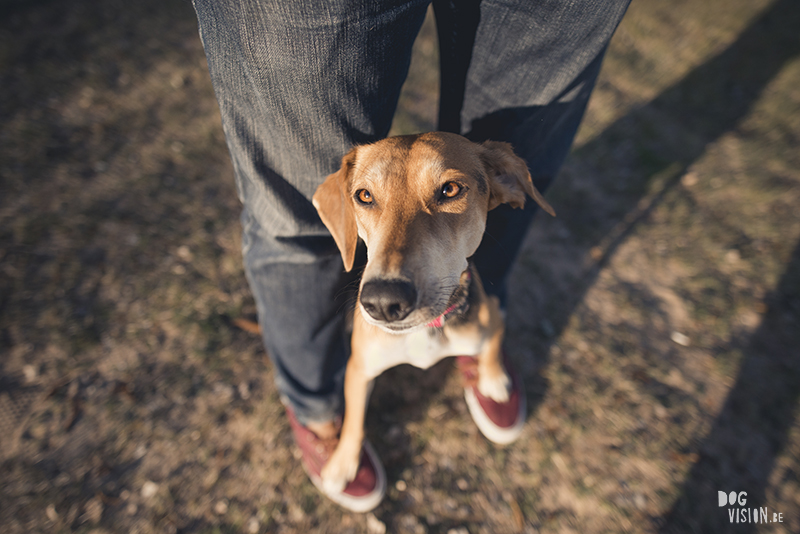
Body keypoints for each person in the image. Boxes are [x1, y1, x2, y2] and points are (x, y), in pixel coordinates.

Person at [192, 0, 630, 511]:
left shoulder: (493, 179)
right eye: (367, 198)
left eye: (447, 191)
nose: (394, 269)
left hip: (467, 310)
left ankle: (485, 364)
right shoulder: (368, 290)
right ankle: (318, 411)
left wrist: (487, 348)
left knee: (488, 319)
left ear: (506, 184)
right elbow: (364, 369)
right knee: (286, 208)